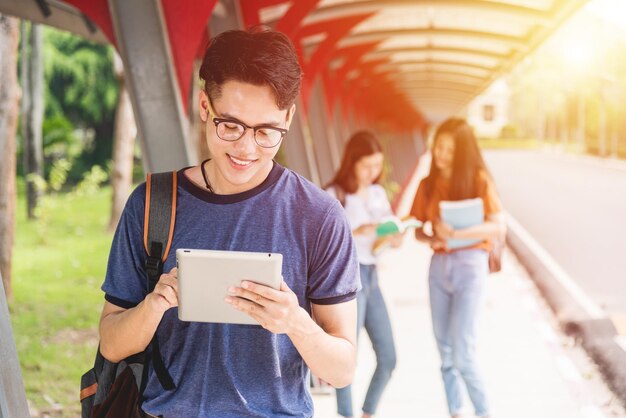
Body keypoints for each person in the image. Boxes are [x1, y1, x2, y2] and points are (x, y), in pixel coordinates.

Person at [97, 27, 360, 418]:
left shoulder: (319, 217)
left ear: (288, 117)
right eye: (230, 125)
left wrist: (295, 323)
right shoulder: (152, 205)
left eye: (267, 131)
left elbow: (341, 370)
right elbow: (111, 344)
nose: (246, 148)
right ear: (205, 106)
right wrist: (155, 305)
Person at [410, 118, 505, 418]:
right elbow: (416, 228)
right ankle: (456, 411)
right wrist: (432, 233)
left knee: (463, 353)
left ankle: (484, 412)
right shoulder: (427, 185)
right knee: (446, 354)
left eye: (450, 150)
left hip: (470, 265)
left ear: (462, 151)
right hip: (439, 266)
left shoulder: (478, 180)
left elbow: (497, 227)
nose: (442, 154)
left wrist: (457, 234)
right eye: (439, 147)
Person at [325, 131, 401, 418]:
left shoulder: (379, 194)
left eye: (377, 165)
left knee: (389, 357)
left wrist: (391, 237)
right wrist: (356, 233)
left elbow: (383, 239)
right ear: (352, 162)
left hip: (372, 277)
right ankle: (346, 414)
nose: (373, 172)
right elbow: (325, 244)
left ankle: (367, 412)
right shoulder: (335, 195)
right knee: (345, 358)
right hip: (347, 279)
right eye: (367, 166)